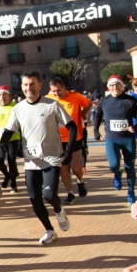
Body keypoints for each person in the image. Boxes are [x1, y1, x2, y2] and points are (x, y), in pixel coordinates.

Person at [0, 71, 75, 245]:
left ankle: (58, 209)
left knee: (48, 195)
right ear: (22, 87)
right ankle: (49, 230)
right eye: (25, 85)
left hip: (52, 158)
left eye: (32, 84)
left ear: (40, 85)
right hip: (31, 160)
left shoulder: (52, 105)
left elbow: (72, 126)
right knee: (34, 198)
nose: (29, 88)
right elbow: (9, 132)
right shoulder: (18, 109)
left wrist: (69, 150)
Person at [94, 75, 137, 204]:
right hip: (112, 139)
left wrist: (134, 127)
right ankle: (117, 174)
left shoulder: (131, 100)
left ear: (122, 86)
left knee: (130, 167)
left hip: (128, 138)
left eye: (117, 85)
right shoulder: (104, 101)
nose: (115, 87)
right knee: (113, 165)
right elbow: (97, 117)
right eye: (112, 85)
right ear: (108, 87)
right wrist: (95, 131)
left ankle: (131, 192)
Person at [47, 77, 90, 205]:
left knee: (76, 166)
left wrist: (81, 115)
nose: (56, 94)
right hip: (58, 139)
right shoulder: (49, 99)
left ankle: (80, 182)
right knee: (63, 167)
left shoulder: (75, 97)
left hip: (74, 137)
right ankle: (70, 193)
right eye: (54, 91)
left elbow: (88, 104)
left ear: (64, 87)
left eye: (58, 90)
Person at [0, 85, 20, 193]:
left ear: (9, 95)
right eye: (0, 95)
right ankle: (7, 176)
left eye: (4, 94)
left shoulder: (15, 107)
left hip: (13, 139)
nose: (2, 97)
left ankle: (13, 184)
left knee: (12, 162)